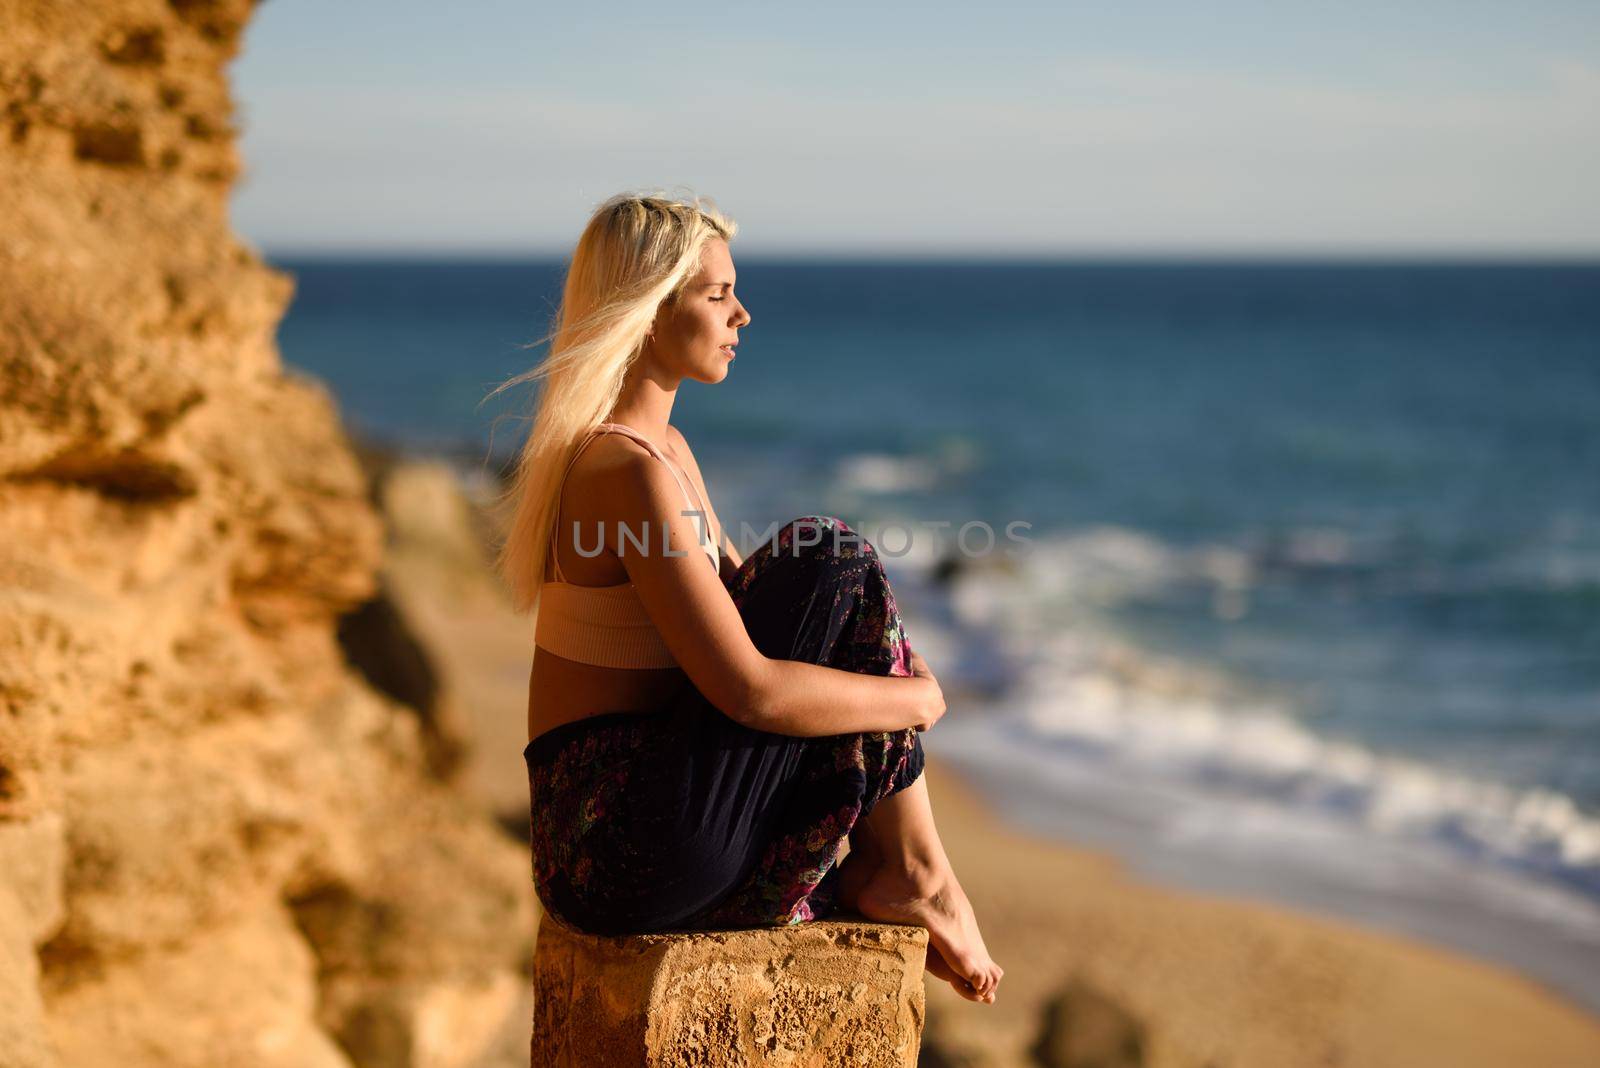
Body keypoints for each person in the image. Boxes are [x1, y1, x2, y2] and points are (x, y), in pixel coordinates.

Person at [489, 192, 1002, 1004]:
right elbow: (748, 688)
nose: (744, 315)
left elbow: (779, 618)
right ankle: (913, 869)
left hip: (651, 824)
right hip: (613, 852)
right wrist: (917, 699)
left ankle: (910, 869)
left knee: (837, 565)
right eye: (718, 294)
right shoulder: (624, 471)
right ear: (650, 311)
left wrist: (890, 677)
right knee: (829, 552)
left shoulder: (666, 453)